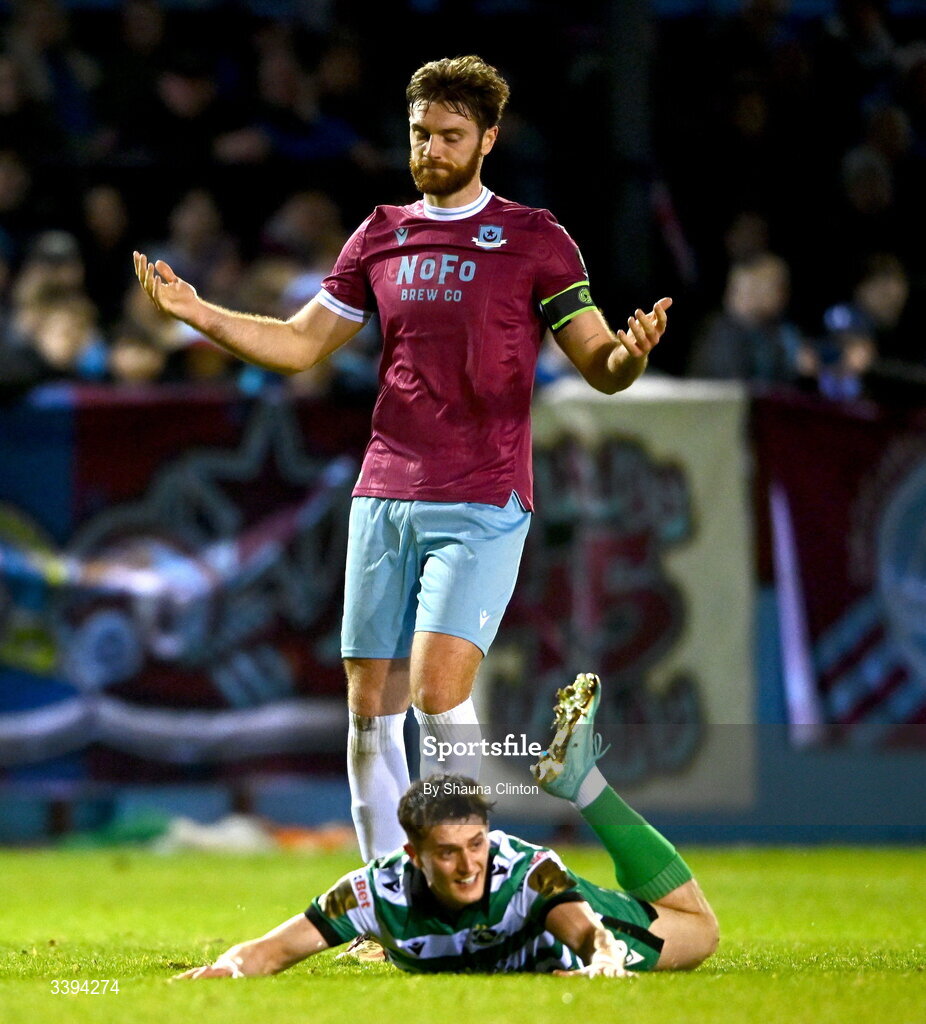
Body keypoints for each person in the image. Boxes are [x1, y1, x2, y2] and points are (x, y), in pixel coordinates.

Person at [133, 55, 671, 865]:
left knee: (438, 689)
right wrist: (196, 311)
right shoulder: (380, 233)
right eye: (420, 133)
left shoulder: (537, 240)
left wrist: (628, 360)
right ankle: (391, 903)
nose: (431, 148)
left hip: (484, 495)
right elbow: (298, 344)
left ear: (488, 139)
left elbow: (598, 360)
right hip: (384, 491)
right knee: (367, 702)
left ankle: (466, 885)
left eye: (451, 135)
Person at [175, 673, 718, 979]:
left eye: (477, 843)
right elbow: (269, 952)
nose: (468, 865)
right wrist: (224, 972)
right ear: (411, 855)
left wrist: (601, 962)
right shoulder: (372, 893)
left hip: (580, 940)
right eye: (447, 852)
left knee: (700, 930)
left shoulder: (527, 873)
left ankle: (584, 786)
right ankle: (580, 782)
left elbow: (588, 934)